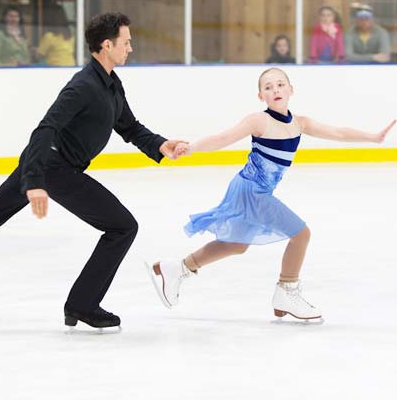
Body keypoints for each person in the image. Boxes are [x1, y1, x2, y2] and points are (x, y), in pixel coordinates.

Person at [0, 12, 184, 330]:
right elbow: (46, 128)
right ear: (106, 45)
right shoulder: (83, 86)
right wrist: (34, 182)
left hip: (45, 165)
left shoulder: (110, 84)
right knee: (123, 226)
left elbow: (129, 126)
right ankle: (83, 304)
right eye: (126, 42)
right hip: (53, 167)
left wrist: (160, 145)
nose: (130, 48)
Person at [146, 67, 394, 321]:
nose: (275, 89)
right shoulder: (259, 121)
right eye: (268, 87)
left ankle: (177, 268)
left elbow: (339, 133)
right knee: (301, 234)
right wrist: (192, 148)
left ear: (291, 90)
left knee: (236, 244)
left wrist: (373, 137)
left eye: (280, 84)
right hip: (251, 190)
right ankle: (287, 290)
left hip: (256, 189)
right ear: (260, 96)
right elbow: (223, 138)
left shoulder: (300, 123)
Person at [34, 2, 75, 66]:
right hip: (71, 68)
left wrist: (33, 51)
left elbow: (39, 56)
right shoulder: (70, 35)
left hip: (56, 70)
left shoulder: (49, 36)